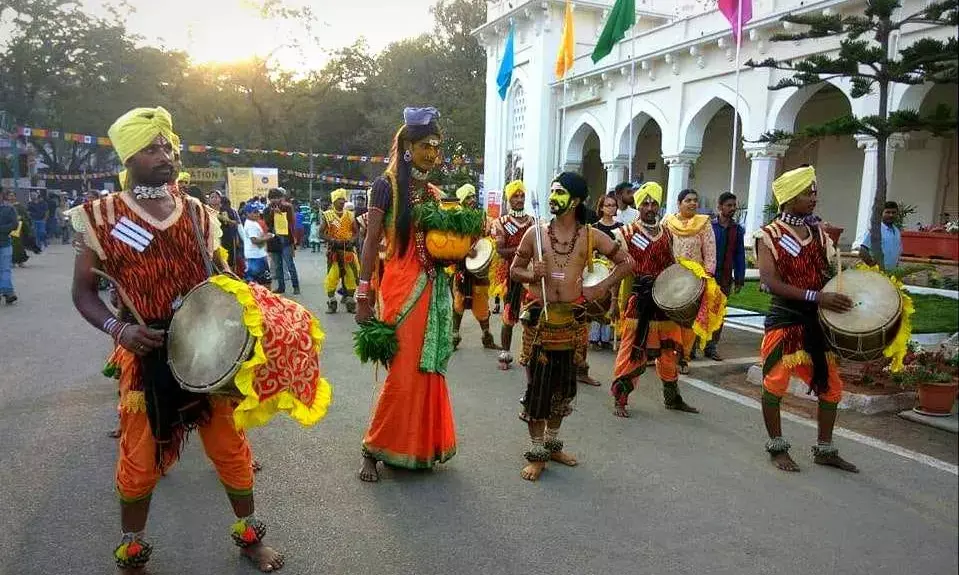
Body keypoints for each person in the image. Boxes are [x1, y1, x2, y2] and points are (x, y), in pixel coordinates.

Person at [67, 106, 284, 573]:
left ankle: (249, 537)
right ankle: (133, 550)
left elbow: (222, 274)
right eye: (150, 148)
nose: (163, 154)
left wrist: (252, 303)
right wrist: (119, 329)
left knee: (230, 448)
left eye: (166, 145)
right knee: (140, 458)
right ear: (128, 157)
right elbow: (83, 293)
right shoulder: (98, 217)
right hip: (145, 353)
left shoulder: (199, 213)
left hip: (209, 352)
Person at [355, 107, 458, 482]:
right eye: (426, 145)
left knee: (428, 368)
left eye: (437, 146)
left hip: (434, 287)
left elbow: (441, 242)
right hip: (400, 287)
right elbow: (370, 242)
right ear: (407, 147)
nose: (433, 153)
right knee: (401, 372)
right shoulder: (386, 185)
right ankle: (373, 447)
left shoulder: (433, 193)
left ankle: (418, 445)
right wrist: (362, 293)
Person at [510, 172, 631, 481]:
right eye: (551, 191)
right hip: (541, 321)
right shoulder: (534, 234)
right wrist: (530, 275)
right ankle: (536, 453)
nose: (552, 197)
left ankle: (551, 445)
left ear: (575, 201)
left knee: (562, 390)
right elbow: (514, 270)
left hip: (571, 322)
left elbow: (628, 263)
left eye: (559, 192)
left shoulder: (591, 236)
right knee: (538, 389)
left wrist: (601, 287)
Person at [756, 165, 858, 474]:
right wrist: (817, 297)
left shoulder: (817, 233)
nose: (814, 197)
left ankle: (824, 449)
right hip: (784, 322)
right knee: (774, 385)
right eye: (807, 192)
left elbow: (825, 273)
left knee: (832, 387)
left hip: (815, 324)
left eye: (814, 191)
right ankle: (777, 448)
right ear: (788, 198)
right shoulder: (768, 235)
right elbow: (770, 282)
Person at [610, 182, 703, 417]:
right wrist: (613, 300)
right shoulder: (626, 233)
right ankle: (620, 399)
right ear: (639, 206)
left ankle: (672, 398)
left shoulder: (667, 233)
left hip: (664, 299)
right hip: (640, 300)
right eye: (645, 203)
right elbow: (617, 268)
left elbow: (671, 264)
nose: (650, 207)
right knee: (633, 350)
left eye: (653, 203)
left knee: (669, 351)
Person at [663, 189, 716, 371]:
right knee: (670, 316)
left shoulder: (703, 223)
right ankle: (669, 353)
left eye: (695, 200)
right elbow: (663, 248)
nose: (693, 203)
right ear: (679, 203)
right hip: (671, 278)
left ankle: (684, 357)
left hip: (694, 279)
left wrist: (707, 276)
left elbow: (710, 252)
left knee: (687, 318)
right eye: (688, 200)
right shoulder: (668, 222)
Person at [491, 180, 534, 369]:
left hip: (530, 274)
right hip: (511, 273)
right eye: (515, 196)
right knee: (509, 314)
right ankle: (505, 353)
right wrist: (523, 251)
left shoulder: (533, 221)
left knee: (531, 315)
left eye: (522, 195)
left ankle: (529, 353)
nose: (519, 199)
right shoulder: (501, 223)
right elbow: (501, 250)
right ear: (509, 199)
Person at [451, 183, 498, 349]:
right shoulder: (455, 219)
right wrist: (464, 252)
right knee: (459, 302)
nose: (471, 200)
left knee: (482, 303)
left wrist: (488, 247)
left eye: (473, 197)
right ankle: (454, 337)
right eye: (467, 198)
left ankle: (487, 337)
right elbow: (452, 242)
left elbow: (487, 238)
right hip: (462, 267)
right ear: (461, 201)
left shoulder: (482, 217)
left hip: (480, 268)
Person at [704, 192, 746, 361]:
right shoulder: (709, 227)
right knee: (702, 311)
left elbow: (739, 255)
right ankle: (692, 347)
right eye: (729, 205)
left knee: (719, 313)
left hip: (725, 278)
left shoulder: (737, 230)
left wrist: (740, 278)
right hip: (707, 276)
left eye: (734, 205)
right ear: (720, 207)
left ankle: (711, 346)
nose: (732, 208)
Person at [589, 194, 623, 350]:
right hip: (598, 268)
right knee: (599, 299)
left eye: (613, 205)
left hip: (614, 267)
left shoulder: (621, 227)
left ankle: (606, 337)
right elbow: (590, 248)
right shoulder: (594, 227)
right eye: (607, 205)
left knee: (612, 300)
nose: (611, 208)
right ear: (601, 208)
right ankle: (594, 338)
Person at [320, 188, 359, 313]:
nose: (342, 202)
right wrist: (332, 240)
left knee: (352, 276)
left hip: (348, 251)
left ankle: (350, 301)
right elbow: (321, 233)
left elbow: (356, 232)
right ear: (334, 201)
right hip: (334, 252)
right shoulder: (328, 215)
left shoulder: (350, 215)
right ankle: (332, 301)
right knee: (332, 277)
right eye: (339, 199)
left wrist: (352, 240)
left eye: (343, 199)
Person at [263, 187, 300, 295]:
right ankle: (281, 287)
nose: (275, 201)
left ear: (281, 198)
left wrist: (280, 214)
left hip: (286, 240)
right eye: (272, 198)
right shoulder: (267, 209)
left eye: (277, 198)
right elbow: (267, 223)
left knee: (290, 264)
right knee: (278, 266)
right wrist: (272, 213)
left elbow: (291, 222)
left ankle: (296, 286)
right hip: (274, 240)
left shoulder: (287, 207)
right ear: (269, 199)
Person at [859, 201, 902, 271]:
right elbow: (863, 251)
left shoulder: (897, 231)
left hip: (891, 274)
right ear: (881, 213)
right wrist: (872, 265)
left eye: (893, 212)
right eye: (887, 212)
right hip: (877, 274)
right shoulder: (876, 230)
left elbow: (897, 252)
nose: (891, 215)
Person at [243, 203, 273, 286]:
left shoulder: (253, 222)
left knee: (252, 281)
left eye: (258, 212)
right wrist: (268, 237)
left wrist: (265, 236)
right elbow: (254, 240)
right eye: (254, 212)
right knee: (265, 283)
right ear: (247, 214)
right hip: (257, 257)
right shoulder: (251, 225)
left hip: (256, 255)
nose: (257, 214)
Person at [0, 192, 18, 304]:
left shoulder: (9, 209)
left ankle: (8, 291)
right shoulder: (9, 209)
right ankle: (8, 292)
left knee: (5, 269)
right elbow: (13, 225)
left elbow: (15, 225)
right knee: (5, 269)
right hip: (5, 242)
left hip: (5, 244)